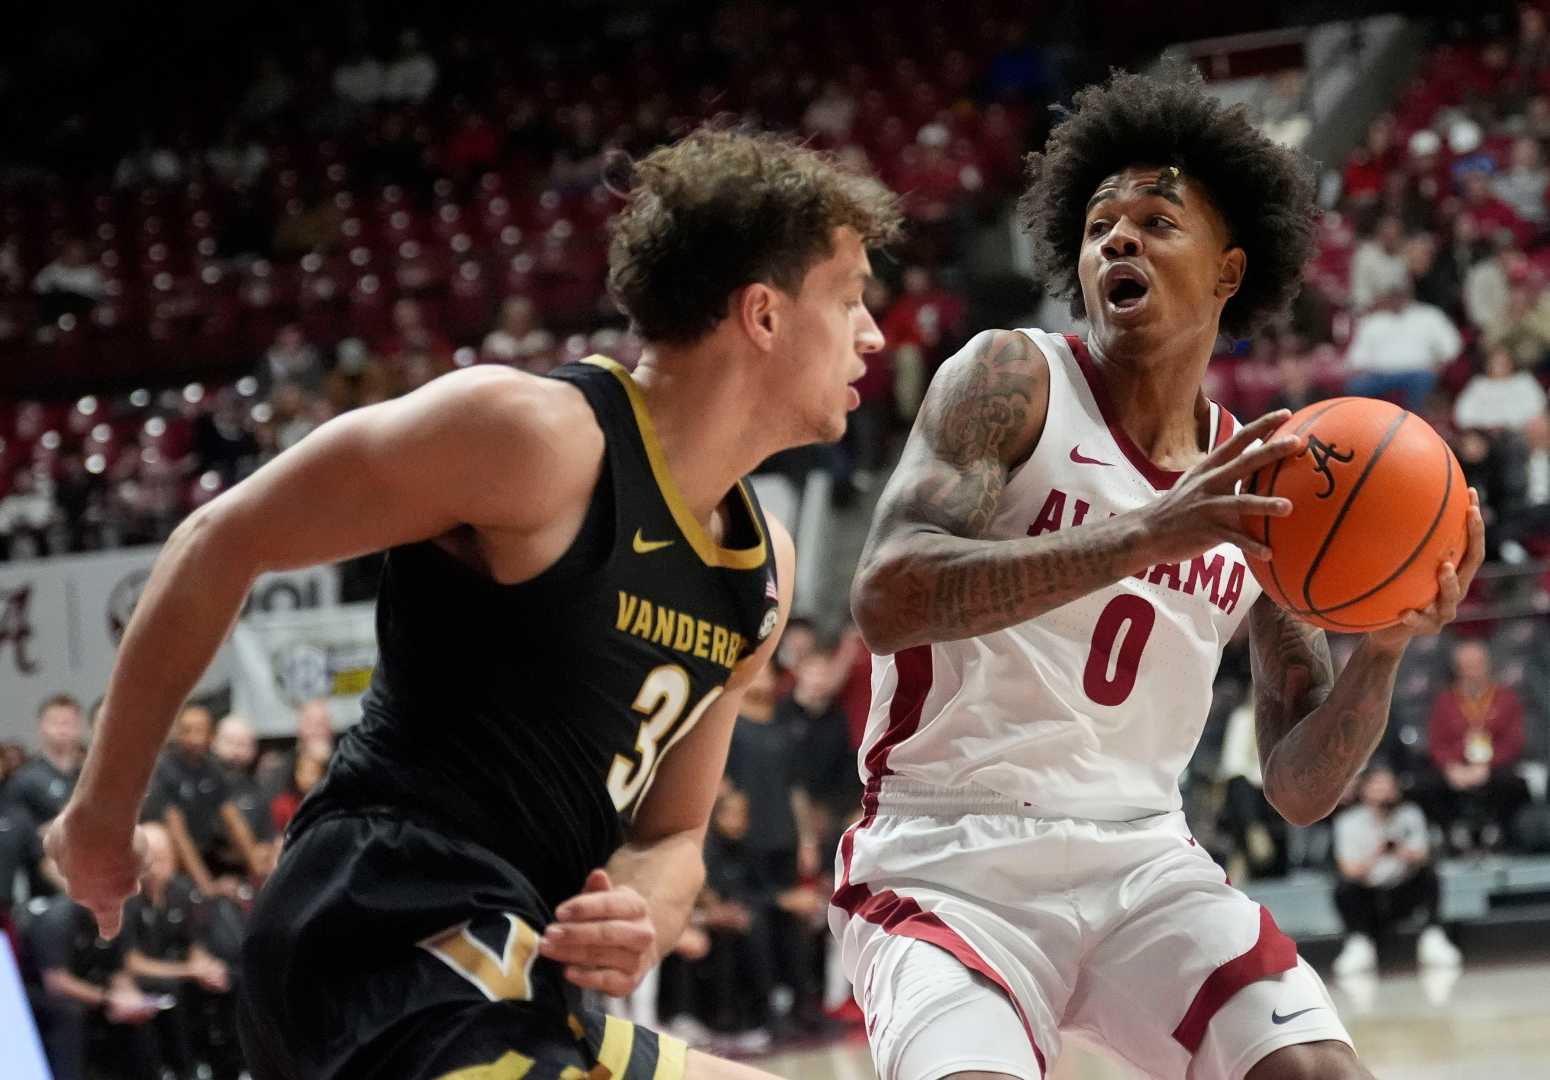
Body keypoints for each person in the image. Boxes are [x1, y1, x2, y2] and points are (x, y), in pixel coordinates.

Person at [47, 126, 900, 1080]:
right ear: (764, 315)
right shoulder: (535, 438)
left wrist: (646, 909)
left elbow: (673, 832)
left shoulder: (763, 573)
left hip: (512, 965)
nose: (873, 332)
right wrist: (101, 813)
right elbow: (217, 539)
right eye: (851, 296)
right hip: (378, 923)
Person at [835, 69, 1485, 1080]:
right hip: (946, 856)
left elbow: (1298, 786)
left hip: (1141, 859)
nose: (1117, 240)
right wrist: (1143, 536)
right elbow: (885, 596)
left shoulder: (1268, 486)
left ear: (1228, 271)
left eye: (1153, 220)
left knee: (1318, 1074)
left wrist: (1385, 646)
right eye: (1099, 225)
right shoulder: (1012, 378)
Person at [1331, 765, 1458, 977]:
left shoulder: (1410, 814)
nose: (1383, 792)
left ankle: (1433, 937)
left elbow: (1422, 855)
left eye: (1387, 785)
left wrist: (1399, 849)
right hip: (1369, 892)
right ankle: (1359, 944)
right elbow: (1349, 870)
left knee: (1430, 876)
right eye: (1377, 785)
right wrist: (1377, 852)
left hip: (1403, 887)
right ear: (1364, 790)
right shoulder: (1348, 822)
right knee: (1344, 889)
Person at [1414, 641, 1532, 851]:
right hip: (1457, 768)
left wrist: (1487, 765)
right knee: (1425, 786)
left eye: (1476, 664)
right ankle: (1450, 834)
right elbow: (1436, 743)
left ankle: (1502, 834)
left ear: (1488, 665)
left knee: (1515, 784)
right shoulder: (1445, 700)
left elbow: (1514, 741)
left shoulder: (1506, 698)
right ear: (1456, 669)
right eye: (1465, 666)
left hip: (1494, 766)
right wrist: (1452, 767)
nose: (1471, 671)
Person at [143, 704, 267, 899]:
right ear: (177, 732)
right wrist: (206, 886)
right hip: (173, 863)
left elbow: (233, 820)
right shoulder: (164, 770)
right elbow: (177, 832)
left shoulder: (213, 769)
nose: (195, 738)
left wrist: (260, 874)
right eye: (188, 730)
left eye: (200, 730)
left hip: (206, 851)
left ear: (211, 734)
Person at [1343, 280, 1463, 411]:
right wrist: (1362, 370)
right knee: (1355, 386)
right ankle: (1364, 426)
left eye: (1400, 294)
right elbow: (1357, 358)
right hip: (1380, 375)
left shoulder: (1429, 315)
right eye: (1393, 294)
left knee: (1423, 379)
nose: (1397, 298)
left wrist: (1438, 365)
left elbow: (1452, 345)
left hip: (1418, 372)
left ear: (1409, 293)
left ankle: (1412, 424)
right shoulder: (1373, 321)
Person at [3, 694, 84, 832]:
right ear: (41, 726)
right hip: (41, 850)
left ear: (80, 727)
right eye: (54, 722)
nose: (62, 729)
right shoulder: (23, 779)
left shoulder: (90, 777)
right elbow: (14, 833)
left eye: (69, 722)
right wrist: (65, 822)